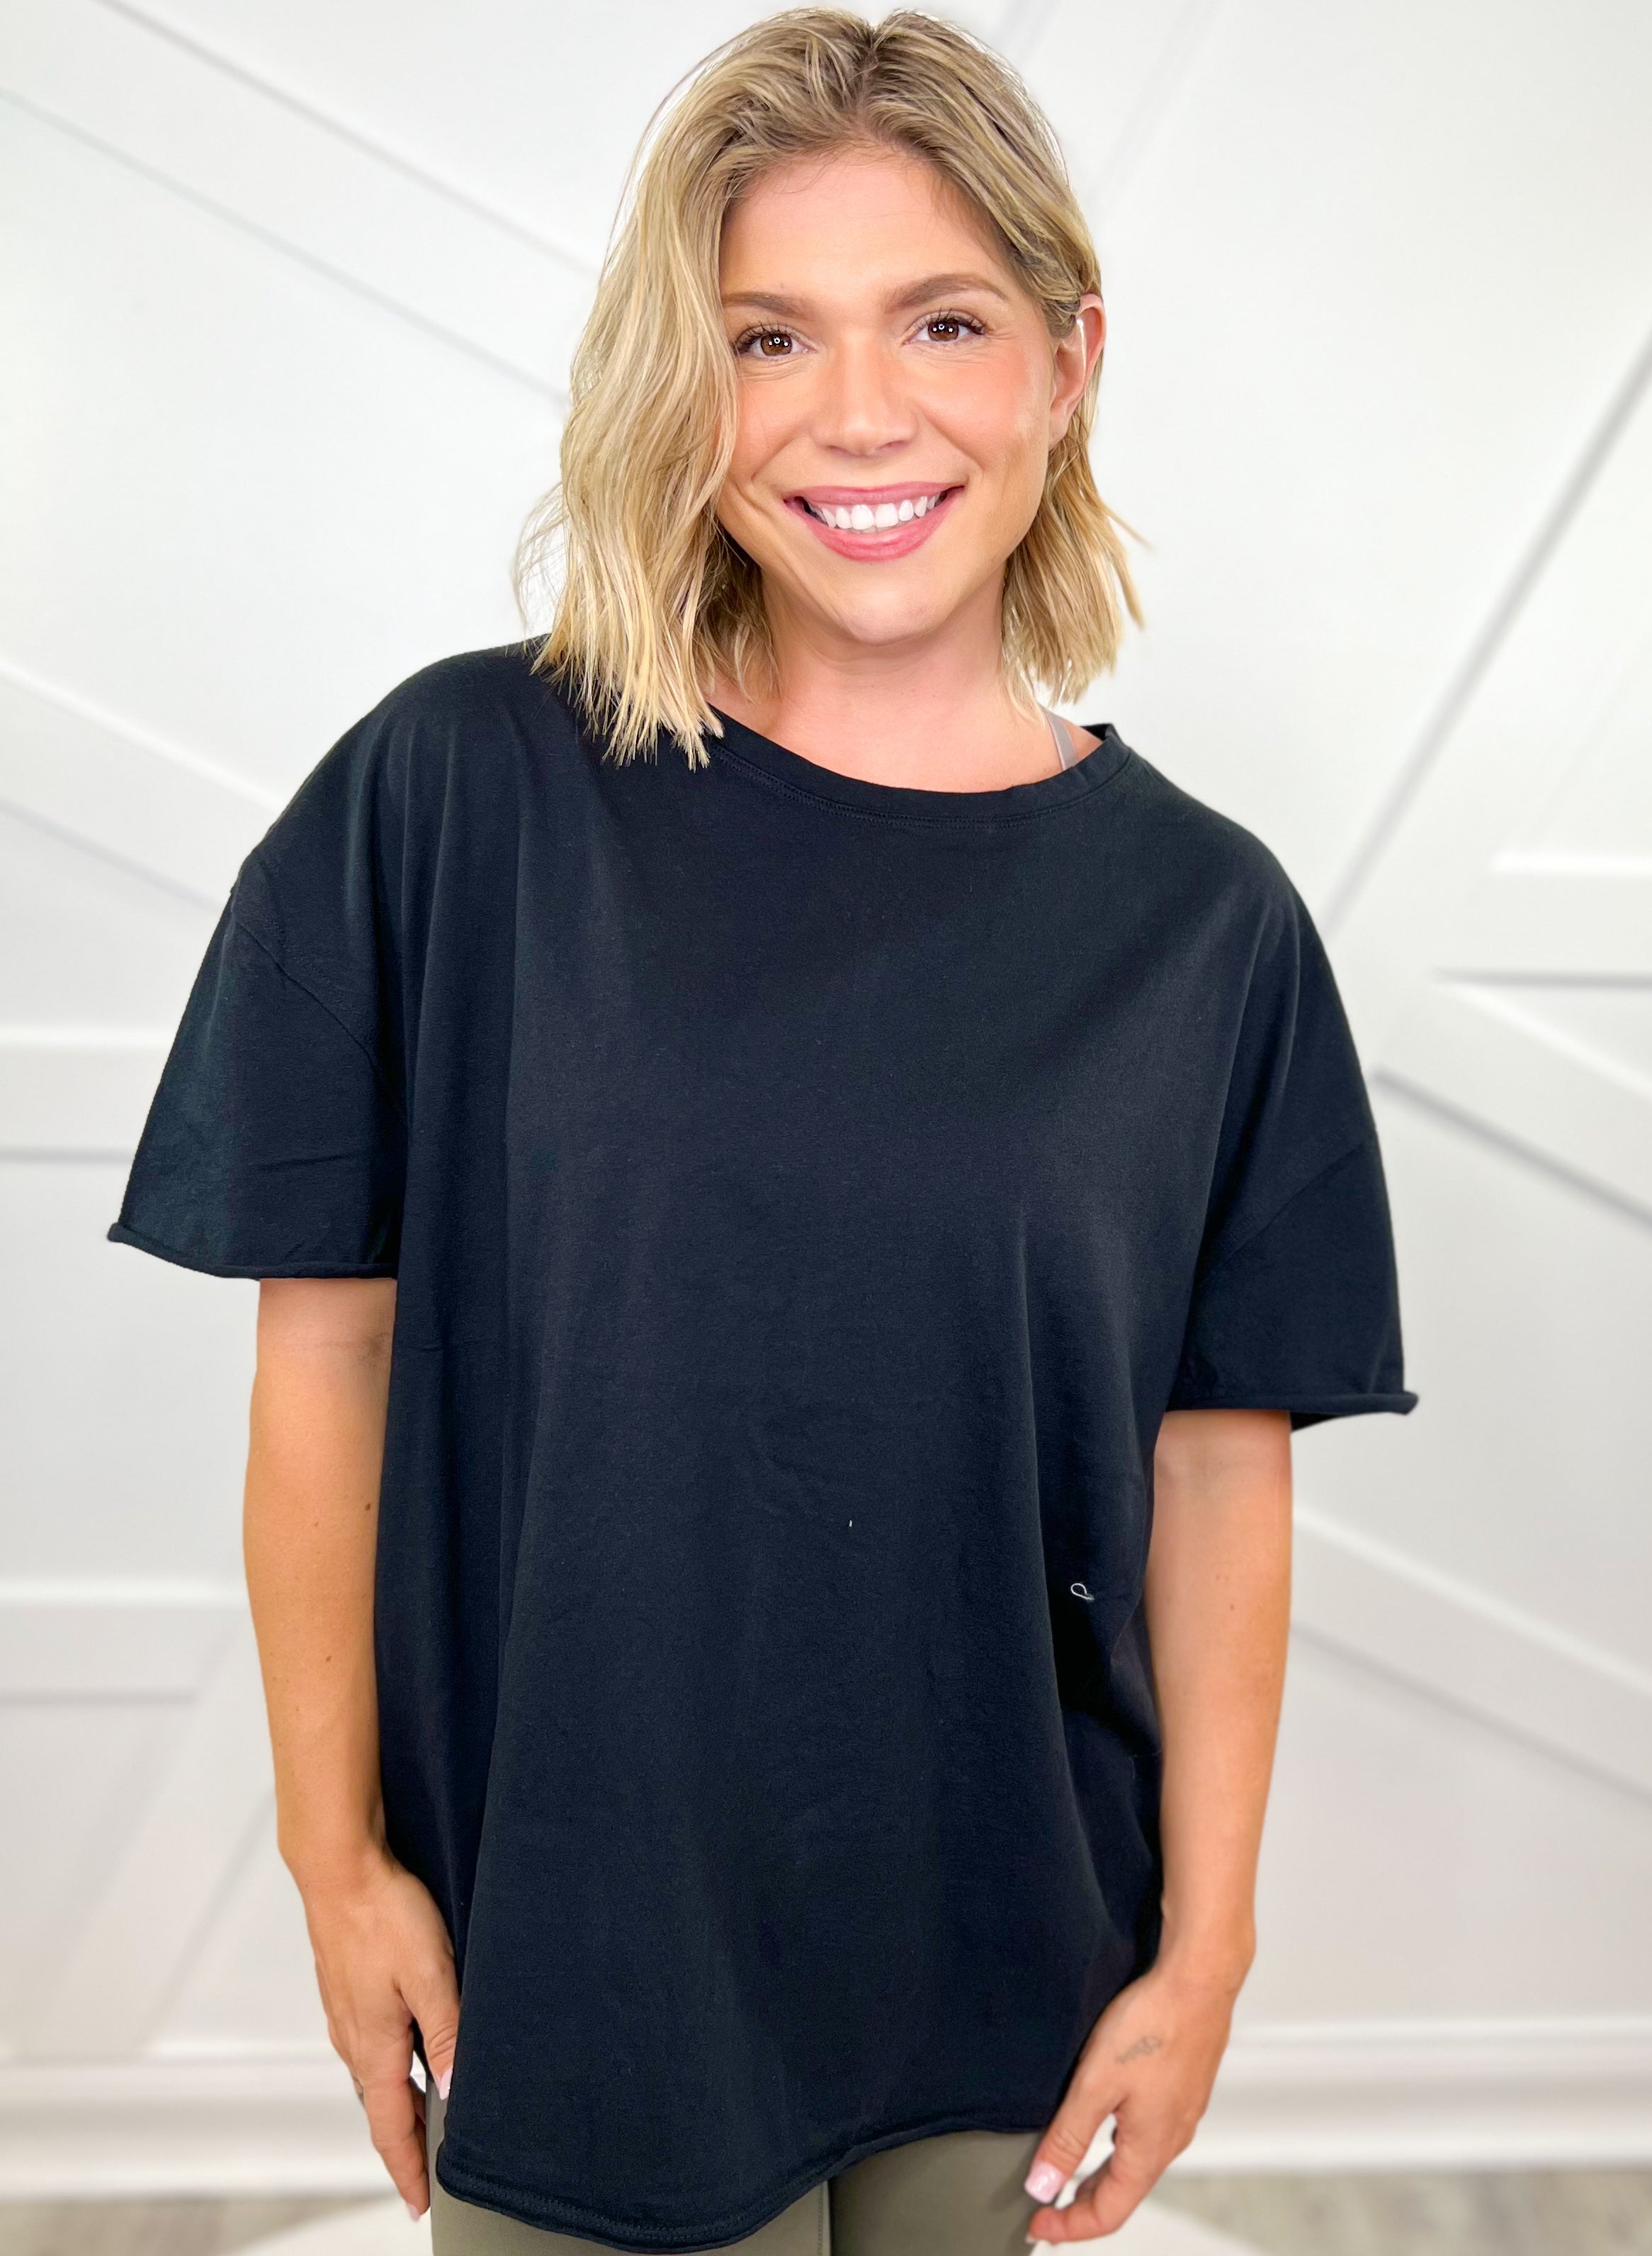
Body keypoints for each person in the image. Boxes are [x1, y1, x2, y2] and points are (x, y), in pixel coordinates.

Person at [107, 10, 1417, 2252]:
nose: (860, 411)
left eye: (944, 321)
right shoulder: (461, 799)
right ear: (680, 385)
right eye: (766, 337)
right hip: (579, 1952)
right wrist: (336, 1862)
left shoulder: (1210, 927)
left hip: (1013, 1957)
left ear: (1070, 360)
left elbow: (1221, 1470)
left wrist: (1205, 1950)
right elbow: (327, 1353)